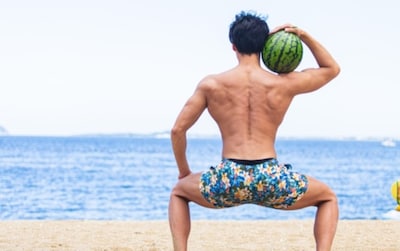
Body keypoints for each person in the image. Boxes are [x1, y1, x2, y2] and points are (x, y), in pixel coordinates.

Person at [169, 11, 340, 251]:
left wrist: (184, 171)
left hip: (227, 179)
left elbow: (178, 130)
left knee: (178, 192)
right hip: (272, 178)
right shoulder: (283, 83)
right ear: (264, 45)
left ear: (233, 46)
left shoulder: (211, 85)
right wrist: (302, 35)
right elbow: (331, 69)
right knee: (328, 197)